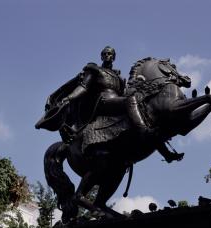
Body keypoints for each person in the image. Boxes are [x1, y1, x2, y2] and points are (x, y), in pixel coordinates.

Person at [37, 46, 183, 163]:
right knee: (131, 101)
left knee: (144, 108)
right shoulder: (94, 70)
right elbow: (83, 87)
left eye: (111, 54)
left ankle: (166, 153)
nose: (108, 56)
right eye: (106, 53)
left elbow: (124, 93)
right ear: (101, 56)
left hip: (116, 101)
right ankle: (144, 130)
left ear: (114, 57)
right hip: (102, 102)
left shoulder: (119, 77)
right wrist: (69, 98)